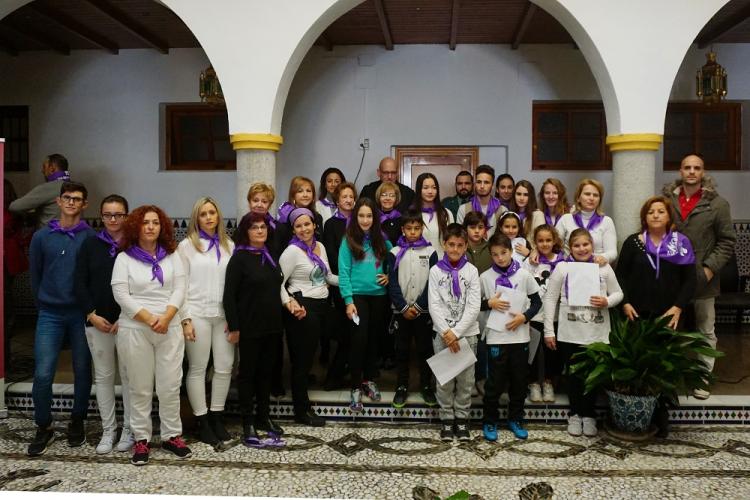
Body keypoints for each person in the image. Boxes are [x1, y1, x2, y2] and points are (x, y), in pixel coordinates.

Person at [112, 205, 190, 465]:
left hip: (170, 327)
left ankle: (171, 436)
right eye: (145, 222)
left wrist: (167, 317)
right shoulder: (124, 258)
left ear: (162, 227)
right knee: (140, 388)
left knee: (169, 386)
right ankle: (142, 440)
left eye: (155, 223)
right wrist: (149, 318)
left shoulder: (172, 255)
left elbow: (181, 287)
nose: (150, 227)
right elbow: (121, 295)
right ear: (136, 226)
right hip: (136, 329)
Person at [616, 196, 696, 437]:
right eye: (651, 212)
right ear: (644, 217)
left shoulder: (680, 243)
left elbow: (690, 280)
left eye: (661, 211)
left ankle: (661, 416)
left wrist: (678, 307)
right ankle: (634, 415)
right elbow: (620, 276)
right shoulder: (633, 243)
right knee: (636, 368)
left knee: (662, 367)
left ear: (669, 216)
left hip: (667, 316)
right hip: (636, 315)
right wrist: (625, 302)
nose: (656, 215)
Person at [27, 181, 96, 457]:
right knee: (43, 373)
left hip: (80, 314)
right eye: (67, 198)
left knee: (82, 370)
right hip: (50, 313)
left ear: (84, 205)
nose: (71, 203)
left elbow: (91, 277)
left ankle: (77, 420)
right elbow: (35, 275)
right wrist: (42, 303)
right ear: (58, 201)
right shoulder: (42, 237)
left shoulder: (90, 237)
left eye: (77, 199)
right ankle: (43, 425)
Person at [663, 154, 735, 400]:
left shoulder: (717, 204)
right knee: (670, 328)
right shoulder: (666, 200)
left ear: (703, 172)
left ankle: (703, 378)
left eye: (697, 168)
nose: (692, 172)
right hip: (672, 278)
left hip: (704, 278)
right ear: (680, 171)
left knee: (705, 329)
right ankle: (669, 376)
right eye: (687, 167)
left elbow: (727, 241)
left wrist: (708, 269)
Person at [543, 228, 623, 437]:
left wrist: (607, 301)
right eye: (577, 245)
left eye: (585, 244)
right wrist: (548, 331)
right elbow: (550, 298)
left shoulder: (603, 268)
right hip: (570, 332)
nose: (581, 249)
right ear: (571, 247)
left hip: (596, 332)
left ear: (592, 245)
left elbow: (618, 293)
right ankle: (575, 414)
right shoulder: (562, 268)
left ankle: (589, 415)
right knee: (574, 375)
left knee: (592, 376)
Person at [75, 194, 134, 455]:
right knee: (104, 377)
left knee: (130, 378)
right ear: (101, 217)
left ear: (126, 216)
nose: (113, 219)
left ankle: (130, 429)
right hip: (97, 322)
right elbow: (79, 282)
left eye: (118, 214)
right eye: (108, 214)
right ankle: (108, 429)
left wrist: (127, 317)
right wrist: (91, 314)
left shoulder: (134, 246)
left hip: (128, 323)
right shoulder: (90, 245)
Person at [224, 212, 286, 444]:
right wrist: (234, 327)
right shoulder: (239, 258)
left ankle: (263, 416)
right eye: (254, 228)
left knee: (266, 373)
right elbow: (229, 296)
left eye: (263, 227)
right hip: (249, 327)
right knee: (248, 375)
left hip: (272, 325)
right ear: (246, 232)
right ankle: (248, 421)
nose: (260, 231)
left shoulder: (269, 255)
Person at [177, 197, 235, 446]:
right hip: (197, 314)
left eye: (213, 212)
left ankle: (216, 416)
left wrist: (234, 318)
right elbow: (180, 285)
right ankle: (201, 420)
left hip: (222, 316)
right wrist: (185, 318)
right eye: (203, 214)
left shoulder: (229, 245)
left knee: (224, 366)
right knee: (198, 368)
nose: (209, 217)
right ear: (196, 218)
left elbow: (234, 287)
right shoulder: (186, 246)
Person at [480, 233, 541, 441]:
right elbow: (475, 305)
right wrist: (489, 303)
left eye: (504, 253)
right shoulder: (485, 277)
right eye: (495, 254)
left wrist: (524, 317)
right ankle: (490, 420)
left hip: (520, 338)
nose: (500, 258)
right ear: (490, 255)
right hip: (496, 338)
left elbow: (537, 302)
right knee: (494, 383)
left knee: (519, 382)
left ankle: (515, 418)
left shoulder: (524, 275)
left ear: (511, 251)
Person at [280, 207, 338, 426]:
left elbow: (328, 276)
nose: (304, 229)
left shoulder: (320, 247)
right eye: (299, 226)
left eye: (307, 224)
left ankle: (331, 378)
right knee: (302, 362)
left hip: (323, 305)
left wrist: (355, 283)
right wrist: (289, 303)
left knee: (345, 334)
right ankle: (301, 410)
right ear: (293, 230)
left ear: (314, 225)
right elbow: (278, 283)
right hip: (303, 307)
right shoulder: (291, 252)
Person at [428, 223, 481, 442]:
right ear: (444, 244)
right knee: (445, 381)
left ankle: (462, 418)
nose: (455, 250)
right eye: (451, 245)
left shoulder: (472, 271)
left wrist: (457, 333)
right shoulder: (435, 271)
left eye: (460, 245)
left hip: (467, 334)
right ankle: (447, 419)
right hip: (442, 335)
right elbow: (434, 304)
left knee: (466, 381)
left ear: (466, 245)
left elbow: (474, 305)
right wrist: (446, 332)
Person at [339, 197, 392, 413]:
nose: (365, 219)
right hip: (358, 297)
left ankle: (369, 380)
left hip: (379, 296)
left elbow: (394, 261)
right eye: (361, 215)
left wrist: (388, 276)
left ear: (375, 217)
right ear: (355, 217)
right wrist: (348, 301)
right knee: (358, 341)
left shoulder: (383, 239)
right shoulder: (348, 240)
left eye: (369, 215)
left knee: (373, 340)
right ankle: (355, 386)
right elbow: (343, 272)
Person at [386, 209, 438, 408]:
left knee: (425, 349)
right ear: (402, 229)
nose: (413, 232)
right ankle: (401, 386)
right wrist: (403, 306)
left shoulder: (430, 252)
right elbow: (392, 284)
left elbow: (432, 283)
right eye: (409, 228)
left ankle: (426, 386)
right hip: (401, 311)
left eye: (417, 228)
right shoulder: (394, 253)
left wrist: (417, 305)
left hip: (423, 311)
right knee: (402, 350)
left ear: (422, 229)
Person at [523, 224, 565, 403]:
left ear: (554, 240)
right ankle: (533, 383)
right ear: (535, 242)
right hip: (533, 315)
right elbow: (522, 285)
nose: (545, 244)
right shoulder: (530, 262)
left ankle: (548, 383)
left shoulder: (563, 262)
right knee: (532, 352)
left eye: (548, 240)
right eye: (540, 240)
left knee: (552, 353)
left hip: (555, 316)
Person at [321, 182, 357, 387]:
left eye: (351, 196)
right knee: (345, 332)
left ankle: (346, 372)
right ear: (337, 200)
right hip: (340, 283)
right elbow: (332, 254)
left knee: (355, 332)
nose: (348, 200)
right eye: (344, 196)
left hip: (360, 282)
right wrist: (346, 274)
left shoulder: (360, 221)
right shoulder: (331, 224)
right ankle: (334, 375)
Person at [462, 210, 492, 397]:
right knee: (465, 344)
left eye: (480, 227)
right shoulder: (459, 247)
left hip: (485, 305)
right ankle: (468, 381)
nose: (476, 231)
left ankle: (481, 378)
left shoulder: (490, 249)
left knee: (482, 345)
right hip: (462, 306)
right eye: (472, 227)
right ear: (465, 229)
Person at [556, 179, 617, 265]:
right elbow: (553, 245)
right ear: (578, 198)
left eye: (596, 195)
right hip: (569, 269)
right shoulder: (566, 219)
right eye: (587, 194)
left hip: (596, 268)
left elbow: (612, 252)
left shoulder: (606, 221)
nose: (591, 198)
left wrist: (603, 258)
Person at [9, 154, 72, 228]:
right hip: (72, 237)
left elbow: (14, 206)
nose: (42, 171)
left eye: (44, 167)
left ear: (52, 169)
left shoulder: (47, 188)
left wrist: (28, 215)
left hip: (49, 237)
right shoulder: (76, 187)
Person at [456, 165, 505, 237]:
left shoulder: (502, 210)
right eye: (479, 182)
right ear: (475, 184)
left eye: (486, 182)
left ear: (492, 185)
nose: (482, 186)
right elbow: (460, 237)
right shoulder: (463, 209)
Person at [413, 172, 454, 258]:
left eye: (434, 188)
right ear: (419, 189)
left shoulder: (446, 213)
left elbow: (452, 240)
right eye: (425, 188)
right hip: (419, 262)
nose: (430, 191)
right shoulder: (413, 214)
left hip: (442, 263)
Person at [246, 182, 281, 258]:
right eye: (255, 200)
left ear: (269, 205)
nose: (259, 205)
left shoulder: (279, 229)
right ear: (249, 203)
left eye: (264, 202)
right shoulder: (243, 227)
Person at [376, 181, 403, 246]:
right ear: (379, 197)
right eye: (384, 195)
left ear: (396, 199)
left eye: (392, 196)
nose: (388, 198)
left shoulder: (401, 219)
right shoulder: (374, 217)